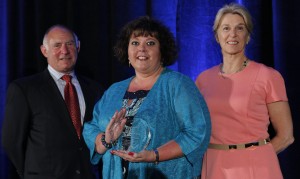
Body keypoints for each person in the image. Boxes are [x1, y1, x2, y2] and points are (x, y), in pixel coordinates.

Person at [83, 16, 211, 179]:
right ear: (127, 50)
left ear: (162, 51)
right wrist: (105, 141)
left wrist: (155, 155)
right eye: (135, 43)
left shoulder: (177, 84)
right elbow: (91, 127)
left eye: (150, 43)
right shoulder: (114, 90)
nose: (141, 49)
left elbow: (197, 132)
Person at [195, 3, 294, 179]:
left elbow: (286, 136)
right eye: (226, 28)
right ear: (217, 35)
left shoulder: (268, 76)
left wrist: (257, 157)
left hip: (255, 169)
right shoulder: (203, 79)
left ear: (247, 36)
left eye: (239, 28)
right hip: (214, 167)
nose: (232, 34)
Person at [1, 25, 104, 179]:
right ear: (44, 51)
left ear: (78, 47)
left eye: (69, 44)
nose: (64, 51)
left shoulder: (95, 89)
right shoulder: (24, 89)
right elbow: (12, 142)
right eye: (57, 45)